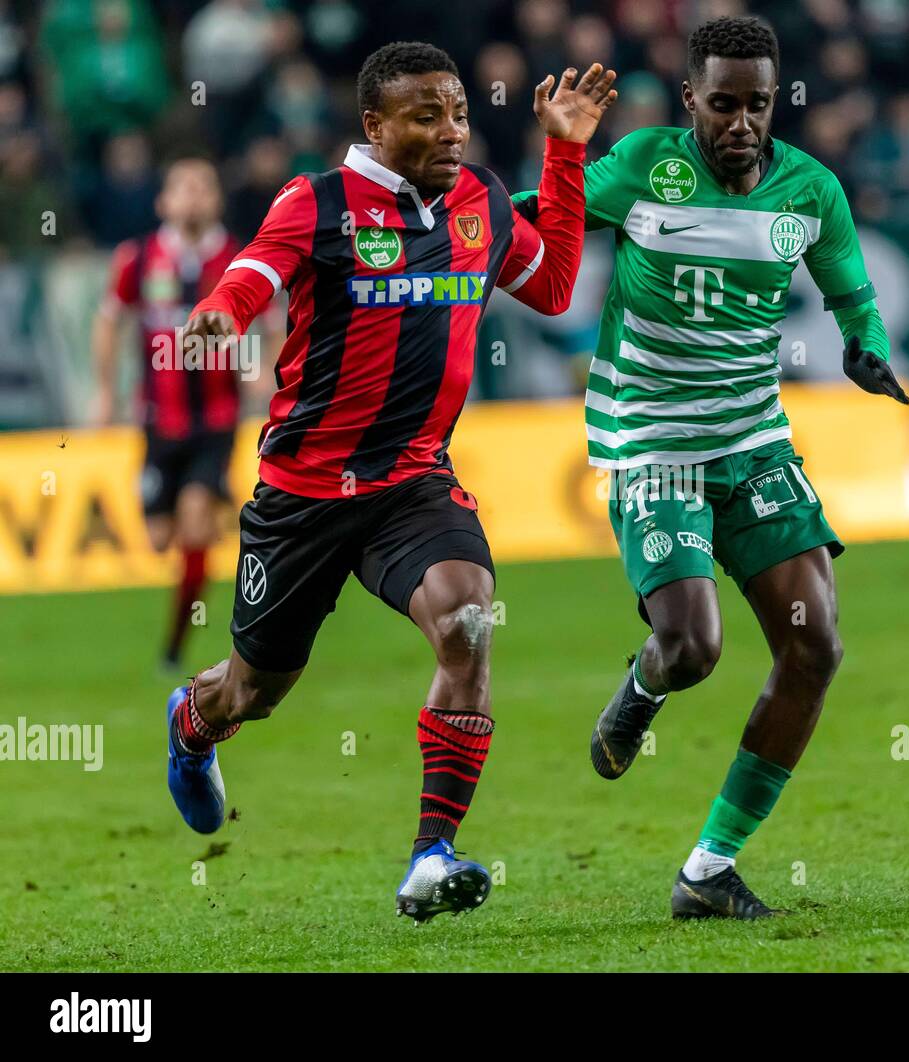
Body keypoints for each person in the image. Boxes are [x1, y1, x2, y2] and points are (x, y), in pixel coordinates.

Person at [168, 41, 617, 921]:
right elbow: (247, 280)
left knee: (466, 617)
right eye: (427, 116)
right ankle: (193, 719)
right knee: (254, 693)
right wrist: (215, 319)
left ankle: (429, 856)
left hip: (411, 482)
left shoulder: (481, 198)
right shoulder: (317, 203)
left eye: (457, 113)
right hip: (303, 493)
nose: (452, 131)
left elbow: (556, 286)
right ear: (374, 125)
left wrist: (564, 154)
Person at [515, 15, 908, 919]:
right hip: (651, 440)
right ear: (691, 99)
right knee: (693, 647)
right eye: (722, 103)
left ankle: (707, 870)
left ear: (775, 101)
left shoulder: (810, 191)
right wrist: (563, 156)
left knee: (814, 646)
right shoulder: (647, 166)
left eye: (757, 105)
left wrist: (867, 348)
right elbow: (544, 229)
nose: (740, 122)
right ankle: (645, 684)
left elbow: (852, 292)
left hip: (753, 440)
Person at [91, 158, 265, 670]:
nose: (192, 197)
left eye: (203, 187)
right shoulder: (137, 258)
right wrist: (105, 390)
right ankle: (217, 507)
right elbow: (109, 324)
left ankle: (174, 647)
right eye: (182, 188)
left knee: (192, 523)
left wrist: (262, 369)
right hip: (157, 419)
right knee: (160, 537)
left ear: (216, 199)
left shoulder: (239, 259)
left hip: (216, 417)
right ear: (162, 201)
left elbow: (274, 319)